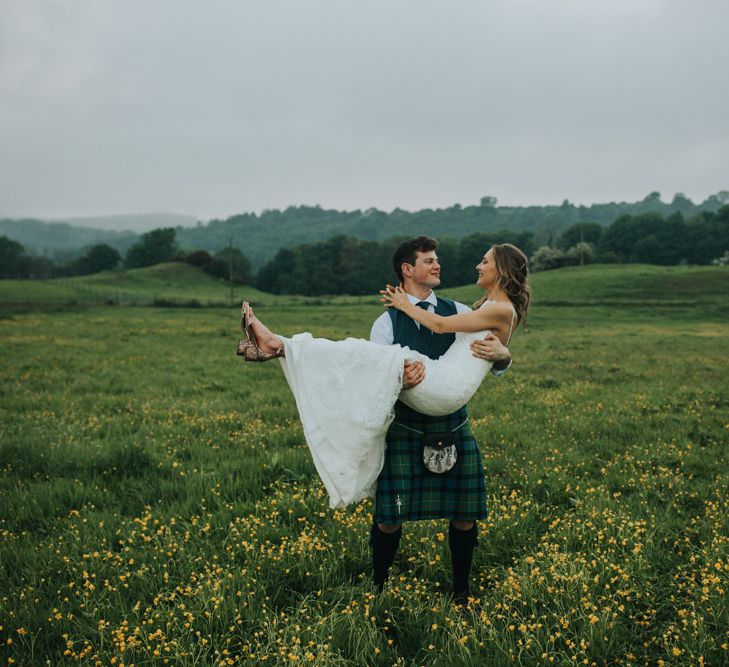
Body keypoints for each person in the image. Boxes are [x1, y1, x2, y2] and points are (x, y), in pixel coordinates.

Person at [238, 239, 531, 600]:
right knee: (389, 518)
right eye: (429, 261)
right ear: (408, 270)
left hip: (449, 421)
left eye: (438, 259)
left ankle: (461, 593)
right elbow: (374, 376)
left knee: (464, 514)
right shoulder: (386, 322)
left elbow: (480, 347)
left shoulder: (458, 308)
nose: (439, 265)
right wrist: (396, 380)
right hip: (406, 425)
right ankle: (377, 588)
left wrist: (505, 356)